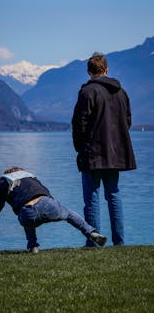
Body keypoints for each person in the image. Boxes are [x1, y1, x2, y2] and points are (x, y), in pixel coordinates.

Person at [72, 53, 136, 247]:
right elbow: (127, 121)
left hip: (93, 153)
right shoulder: (121, 92)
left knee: (92, 198)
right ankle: (119, 242)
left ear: (89, 71)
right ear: (106, 70)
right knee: (114, 195)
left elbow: (79, 124)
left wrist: (79, 148)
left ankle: (93, 242)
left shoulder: (87, 92)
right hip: (115, 154)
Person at [0, 166, 107, 253]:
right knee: (68, 214)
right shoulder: (30, 178)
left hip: (27, 214)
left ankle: (33, 247)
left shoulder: (4, 184)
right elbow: (47, 194)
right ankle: (91, 233)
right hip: (47, 205)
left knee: (24, 213)